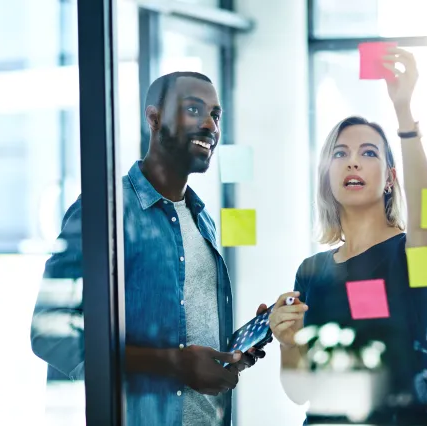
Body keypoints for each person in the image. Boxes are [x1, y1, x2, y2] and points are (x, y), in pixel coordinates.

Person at [30, 71, 266, 426]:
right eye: (194, 110)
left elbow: (188, 334)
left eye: (216, 115)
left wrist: (228, 356)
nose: (210, 126)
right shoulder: (103, 211)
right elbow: (49, 334)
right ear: (154, 119)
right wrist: (177, 364)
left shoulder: (203, 221)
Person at [270, 49, 427, 425]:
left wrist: (404, 113)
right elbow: (300, 392)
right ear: (327, 177)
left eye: (368, 153)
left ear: (390, 179)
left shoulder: (413, 253)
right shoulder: (310, 271)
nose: (353, 161)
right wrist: (287, 343)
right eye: (340, 153)